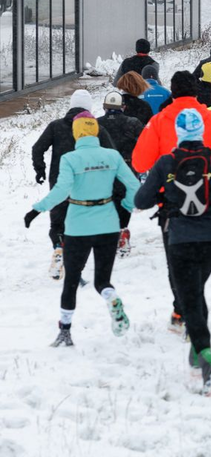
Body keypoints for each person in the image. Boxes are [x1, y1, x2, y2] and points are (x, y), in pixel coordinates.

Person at [134, 109, 211, 393]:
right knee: (195, 292)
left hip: (180, 238)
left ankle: (207, 361)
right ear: (202, 132)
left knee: (189, 298)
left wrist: (163, 192)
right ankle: (196, 353)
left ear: (179, 134)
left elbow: (140, 200)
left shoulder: (166, 162)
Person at [24, 112, 139, 346]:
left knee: (72, 281)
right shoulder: (112, 156)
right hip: (108, 224)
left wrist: (37, 209)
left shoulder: (70, 159)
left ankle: (65, 331)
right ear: (96, 131)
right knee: (102, 281)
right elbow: (134, 185)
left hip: (77, 226)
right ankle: (111, 297)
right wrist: (126, 206)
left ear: (77, 133)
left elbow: (61, 190)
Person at [32, 89, 116, 280]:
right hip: (87, 185)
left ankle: (59, 247)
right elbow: (112, 152)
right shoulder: (96, 129)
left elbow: (37, 148)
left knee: (58, 221)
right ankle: (75, 264)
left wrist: (40, 170)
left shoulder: (55, 127)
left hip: (59, 182)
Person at [97, 91, 143, 258]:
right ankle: (123, 230)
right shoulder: (133, 123)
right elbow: (144, 143)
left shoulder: (97, 124)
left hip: (103, 169)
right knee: (124, 201)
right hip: (127, 167)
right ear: (123, 107)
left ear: (104, 107)